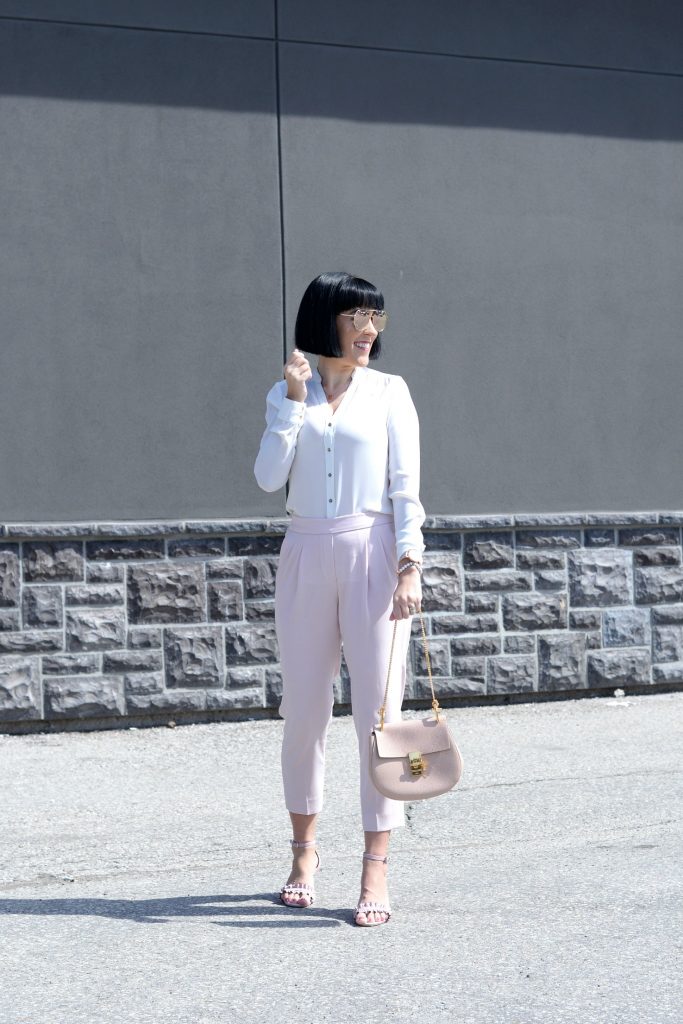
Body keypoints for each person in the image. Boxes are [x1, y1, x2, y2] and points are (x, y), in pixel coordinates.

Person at [254, 271, 425, 927]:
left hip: (372, 551)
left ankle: (375, 867)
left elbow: (405, 490)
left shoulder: (389, 392)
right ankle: (302, 856)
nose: (368, 329)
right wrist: (293, 401)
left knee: (382, 718)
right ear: (326, 317)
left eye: (377, 317)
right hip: (304, 550)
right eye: (357, 315)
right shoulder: (286, 393)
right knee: (302, 712)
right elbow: (269, 479)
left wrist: (410, 567)